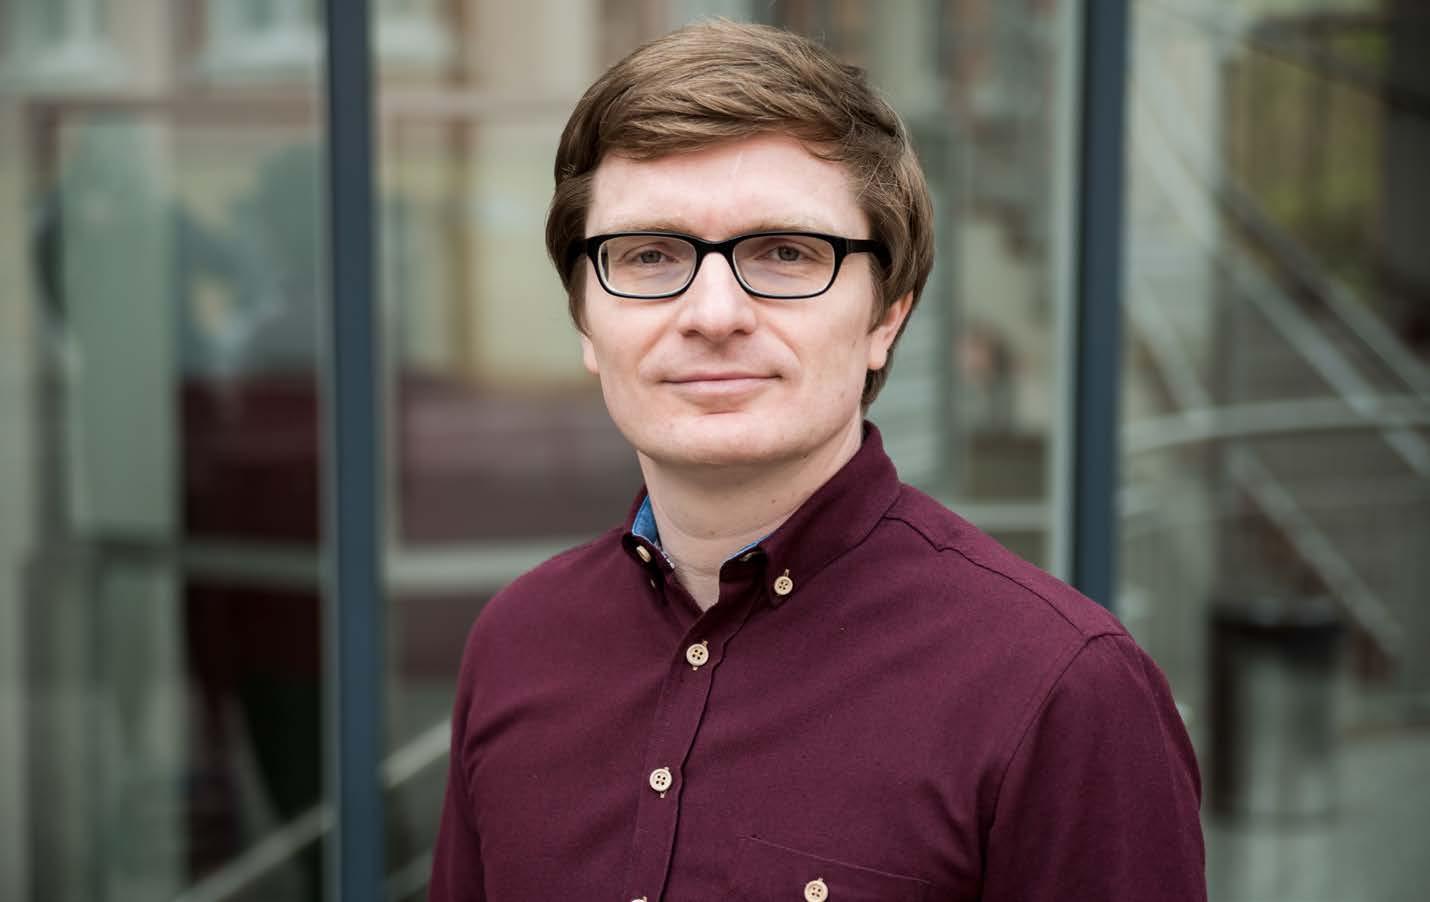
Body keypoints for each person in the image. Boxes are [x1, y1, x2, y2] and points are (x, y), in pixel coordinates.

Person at [430, 20, 1205, 902]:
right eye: (648, 255)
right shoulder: (515, 644)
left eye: (785, 253)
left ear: (886, 318)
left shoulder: (1064, 690)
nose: (713, 313)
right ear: (585, 322)